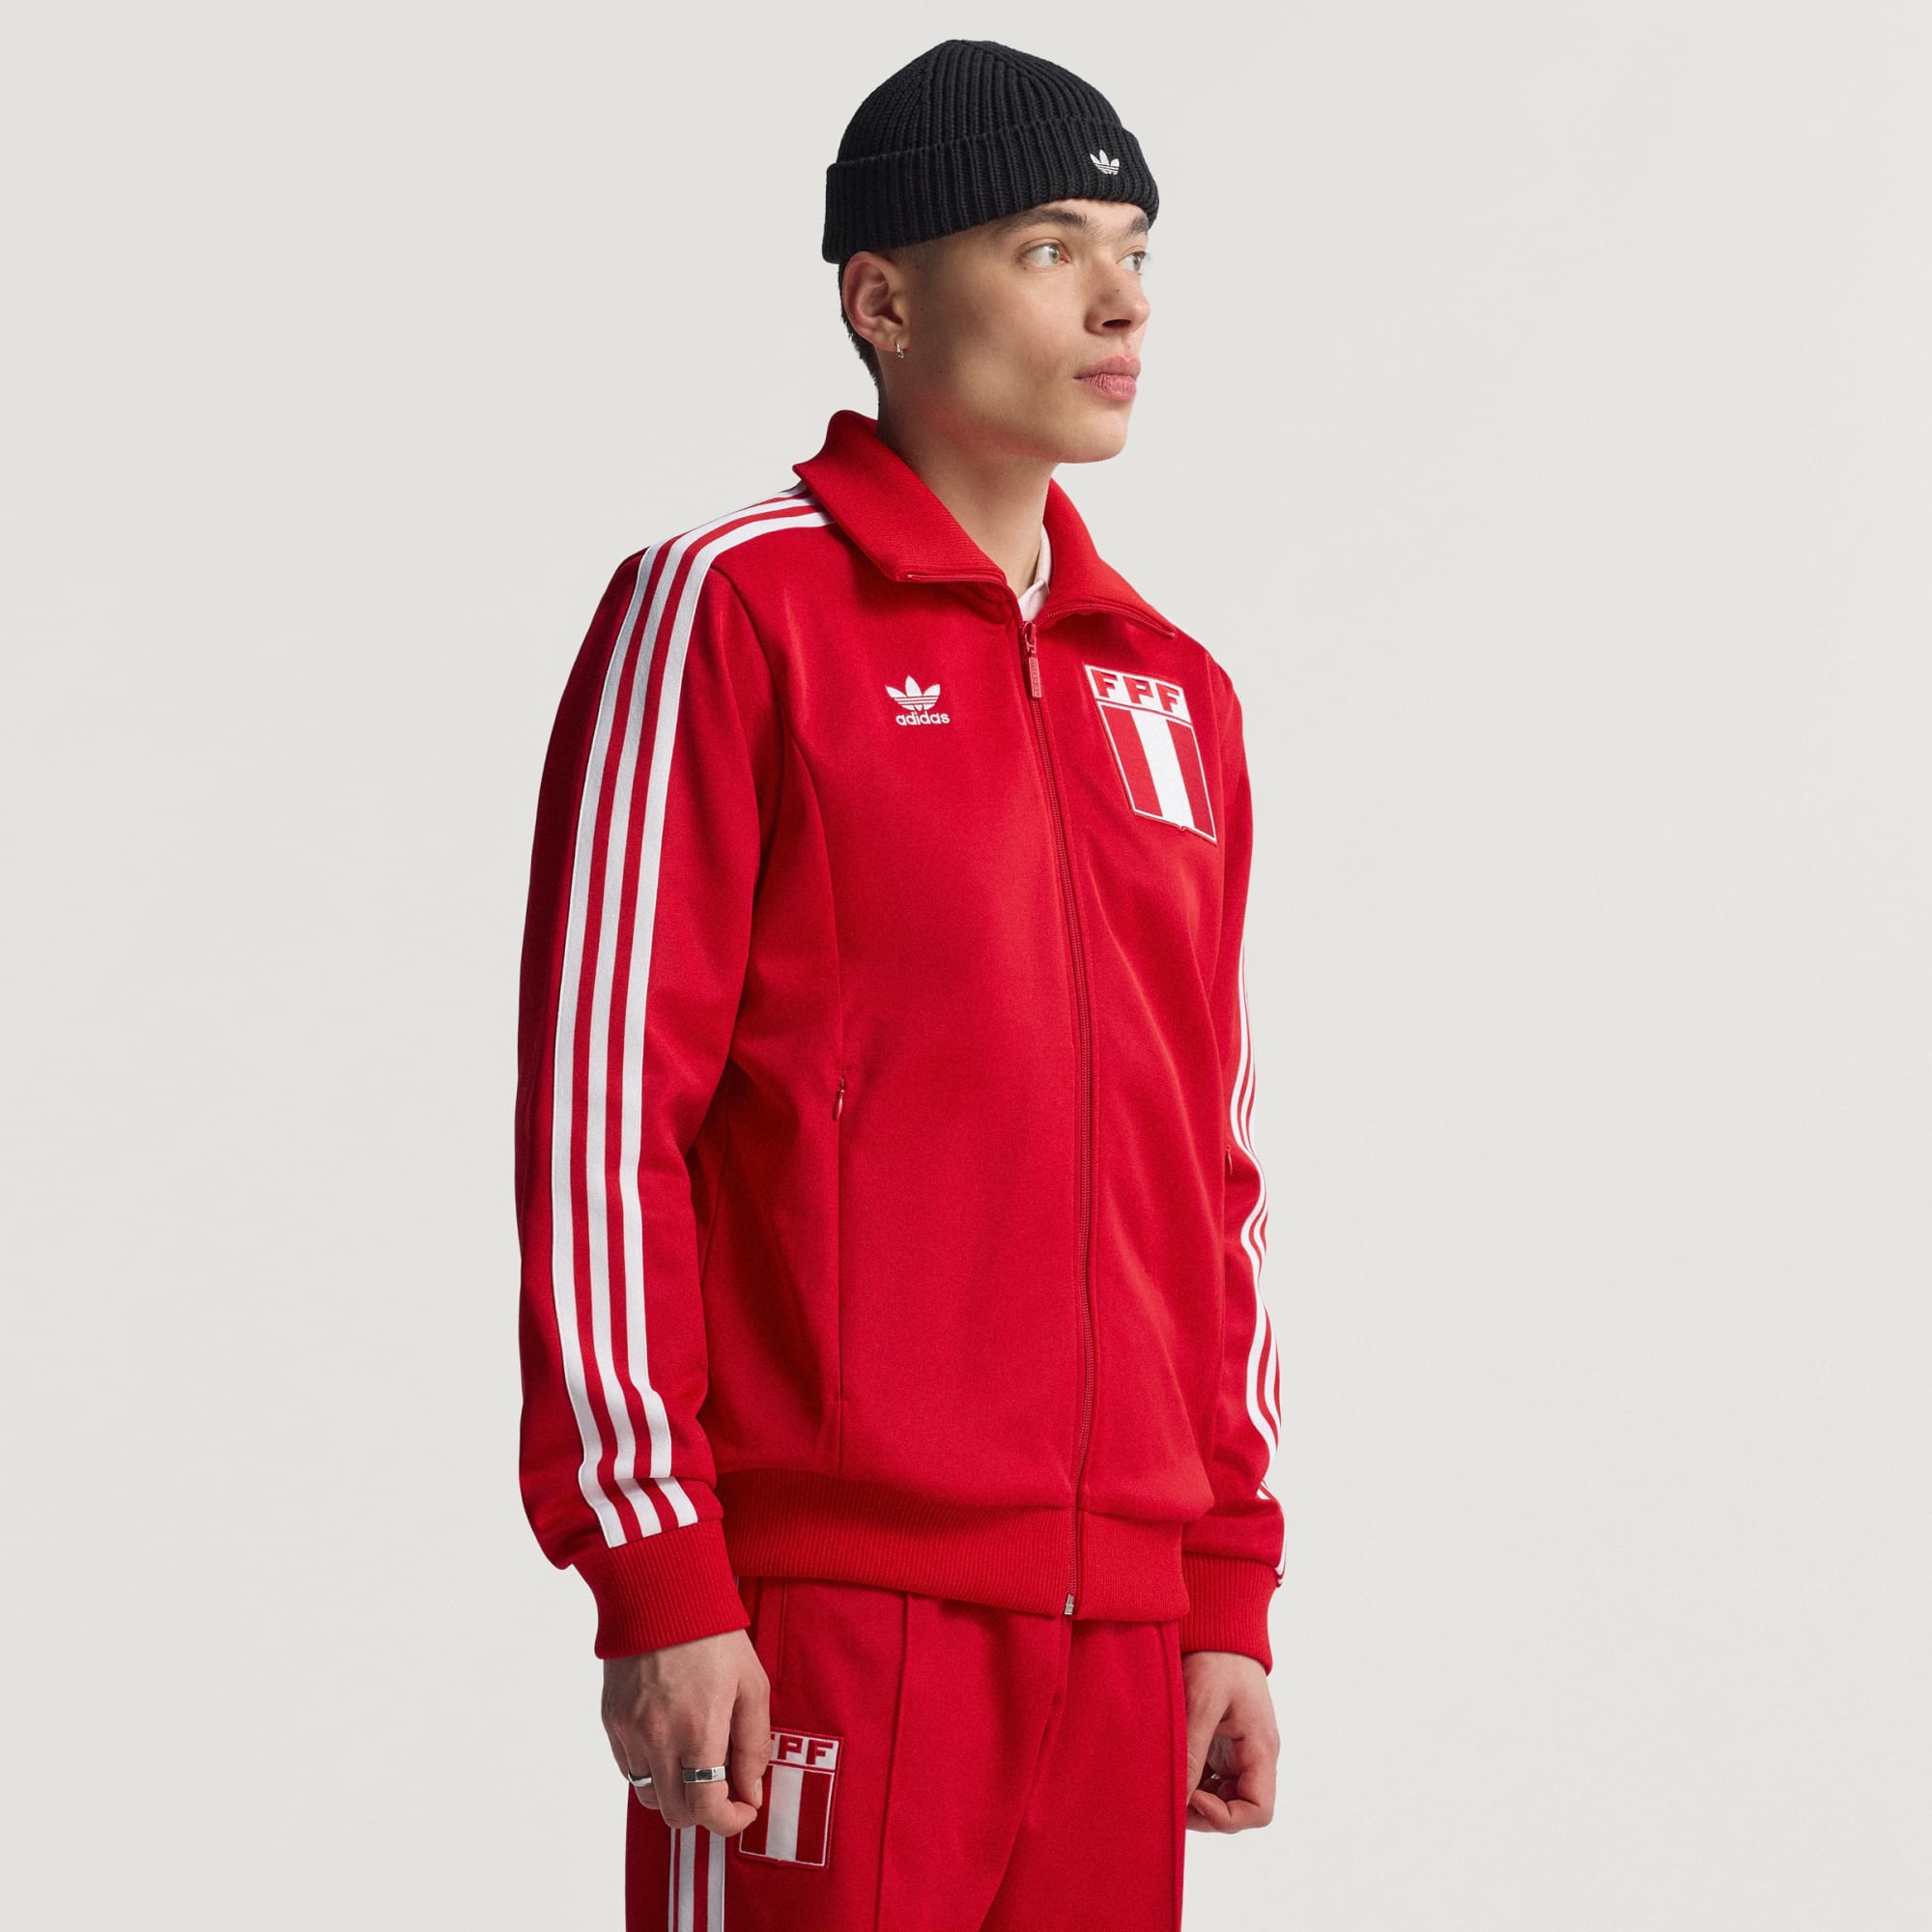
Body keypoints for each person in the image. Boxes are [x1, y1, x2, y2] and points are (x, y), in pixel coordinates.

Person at [513, 38, 1284, 1932]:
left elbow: (1209, 1173)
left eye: (1134, 250)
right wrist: (659, 1566)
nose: (1122, 302)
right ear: (882, 299)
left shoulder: (1171, 691)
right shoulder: (728, 608)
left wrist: (1220, 1586)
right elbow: (605, 1122)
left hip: (1121, 1631)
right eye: (1048, 247)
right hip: (825, 1616)